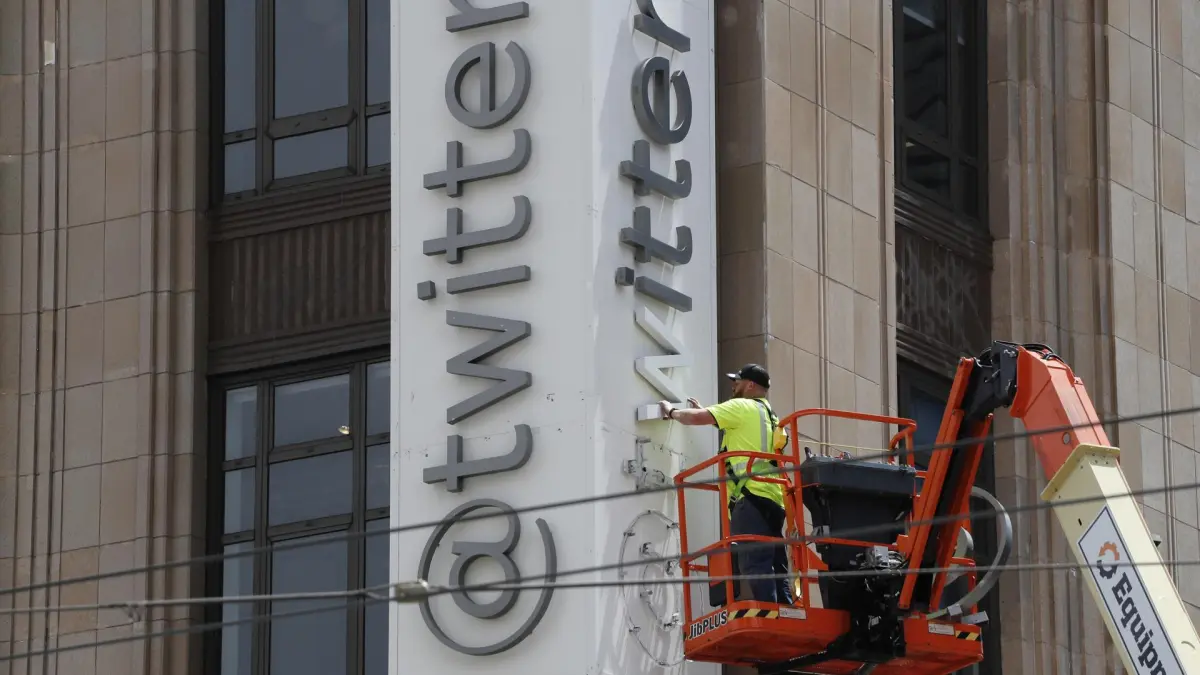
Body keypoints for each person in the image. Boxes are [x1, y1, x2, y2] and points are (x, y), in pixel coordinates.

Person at [658, 364, 792, 605]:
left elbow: (695, 419)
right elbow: (741, 431)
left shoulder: (741, 406)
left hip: (750, 497)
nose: (734, 385)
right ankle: (787, 609)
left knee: (755, 563)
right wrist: (711, 415)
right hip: (774, 497)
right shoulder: (770, 415)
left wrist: (672, 412)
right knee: (774, 562)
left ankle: (772, 612)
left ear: (750, 385)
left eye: (738, 381)